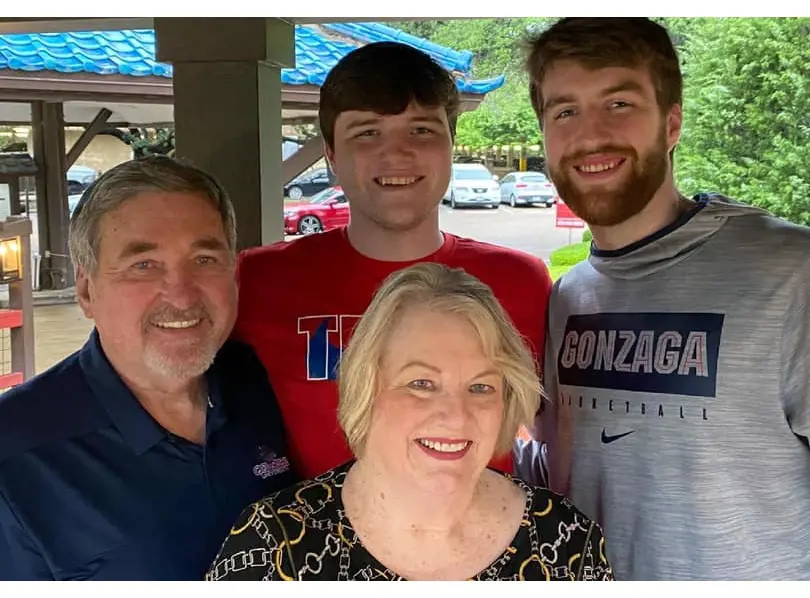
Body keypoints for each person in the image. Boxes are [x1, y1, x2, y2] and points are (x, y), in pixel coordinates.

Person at [525, 17, 810, 580]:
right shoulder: (567, 297)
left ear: (672, 122)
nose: (590, 135)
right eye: (565, 111)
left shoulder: (791, 273)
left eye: (620, 103)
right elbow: (559, 464)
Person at [235, 41, 552, 480]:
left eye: (421, 130)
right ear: (331, 154)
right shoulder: (256, 281)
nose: (397, 153)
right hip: (308, 542)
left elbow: (556, 431)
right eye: (367, 132)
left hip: (483, 539)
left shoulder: (521, 283)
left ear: (450, 145)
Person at [206, 263, 612, 581]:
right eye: (421, 383)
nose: (455, 415)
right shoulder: (277, 545)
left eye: (481, 387)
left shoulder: (565, 541)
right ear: (368, 387)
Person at [0, 156, 295, 580]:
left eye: (204, 259)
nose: (180, 295)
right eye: (144, 265)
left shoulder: (251, 378)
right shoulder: (15, 454)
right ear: (86, 290)